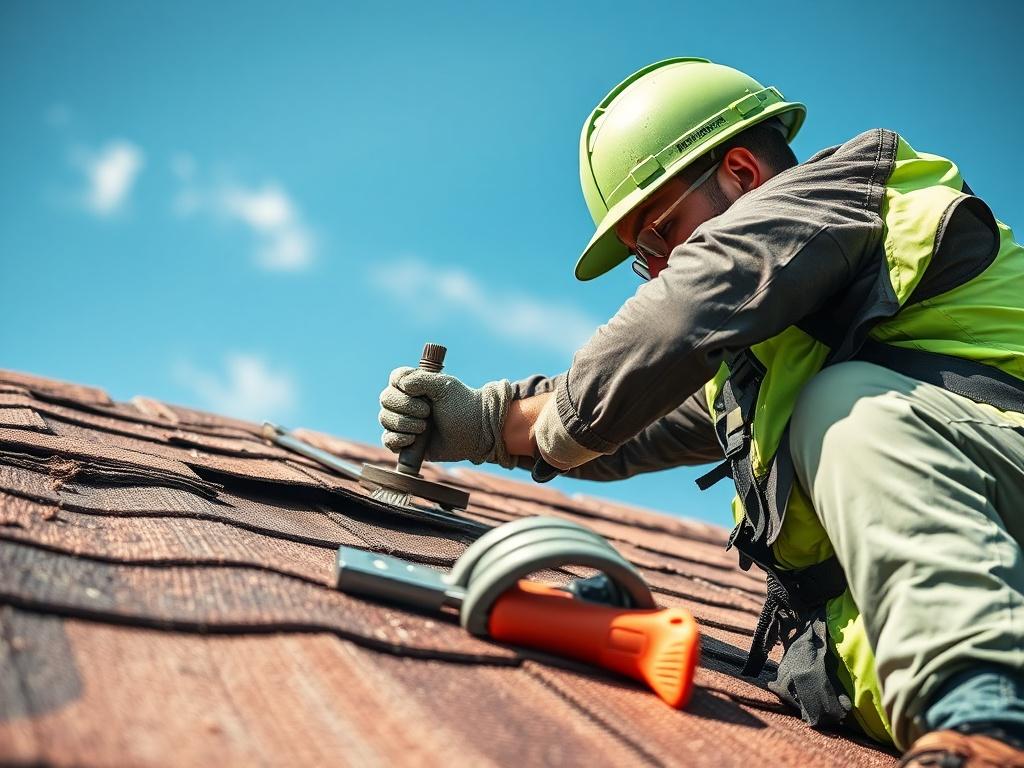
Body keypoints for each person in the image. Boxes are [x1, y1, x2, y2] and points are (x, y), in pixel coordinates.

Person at [377, 58, 1024, 767]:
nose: (658, 269)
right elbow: (630, 419)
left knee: (848, 409)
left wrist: (549, 425)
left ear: (743, 174)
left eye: (659, 237)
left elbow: (684, 312)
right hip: (959, 635)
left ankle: (987, 722)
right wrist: (486, 422)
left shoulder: (850, 193)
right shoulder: (762, 356)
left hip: (996, 578)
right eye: (642, 260)